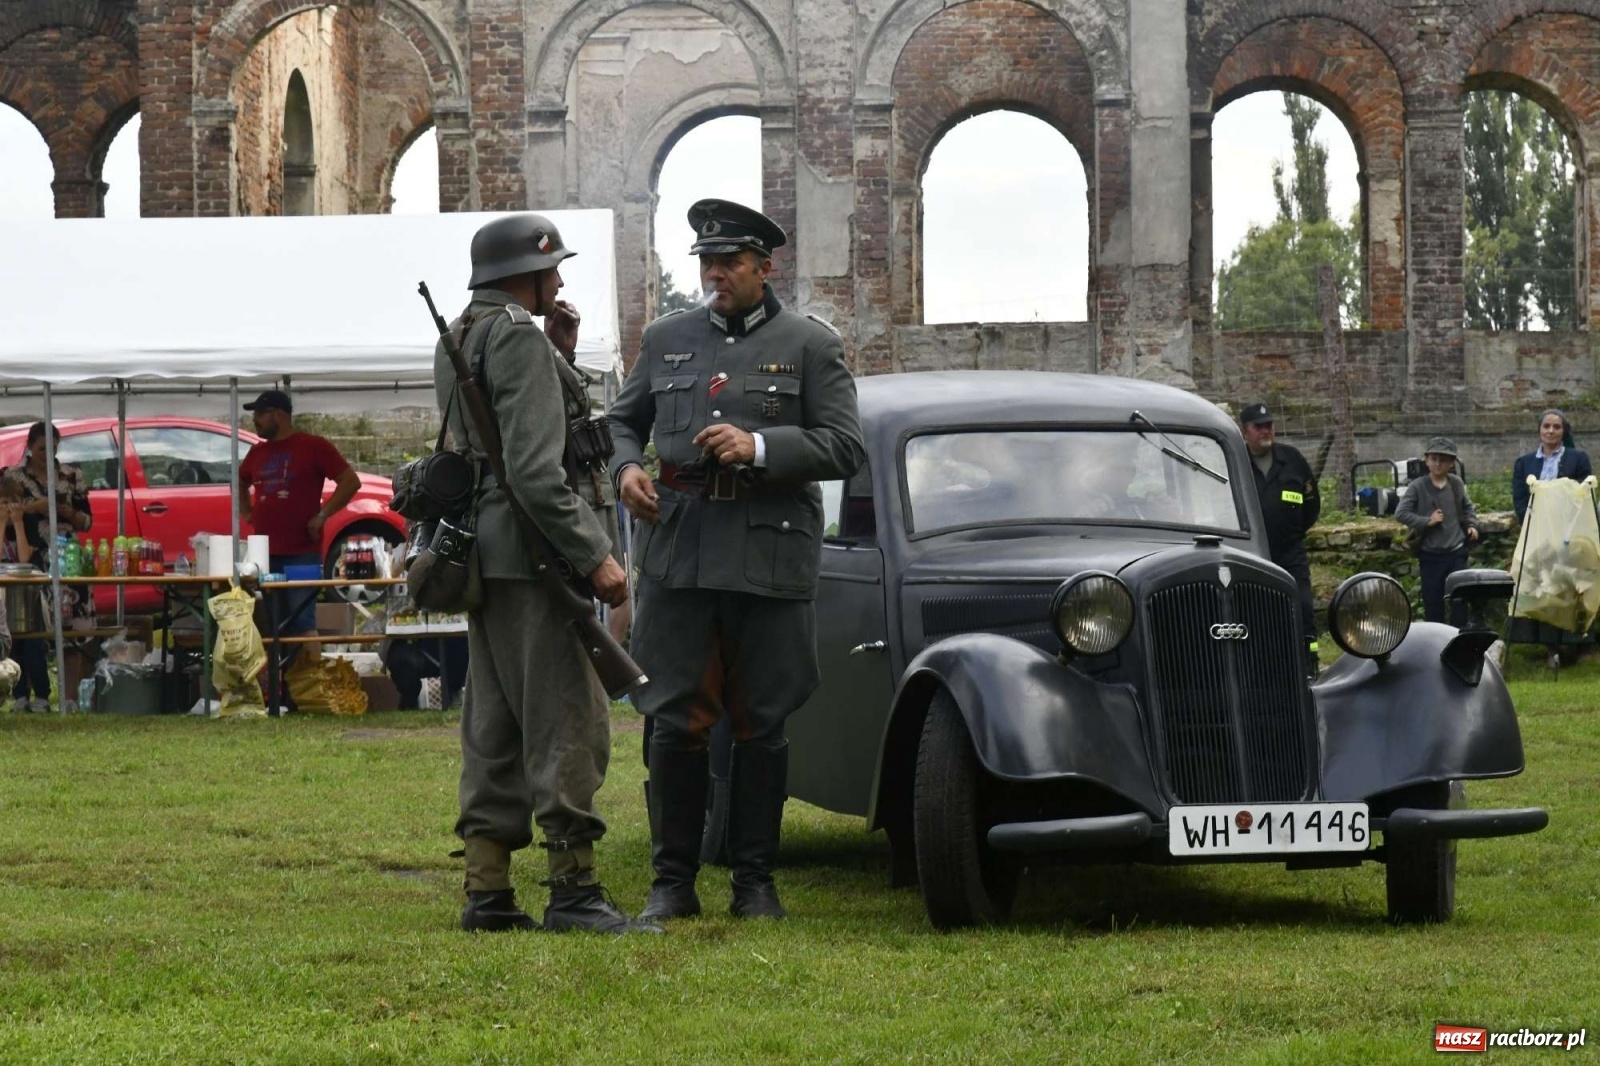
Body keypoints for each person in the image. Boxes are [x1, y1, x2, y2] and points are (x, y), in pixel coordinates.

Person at [610, 198, 866, 921]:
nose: (715, 274)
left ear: (764, 266)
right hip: (680, 554)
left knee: (762, 720)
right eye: (706, 263)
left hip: (767, 556)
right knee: (673, 718)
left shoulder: (810, 345)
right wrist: (626, 469)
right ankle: (673, 885)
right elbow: (623, 424)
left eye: (729, 263)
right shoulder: (665, 339)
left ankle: (754, 883)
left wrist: (759, 448)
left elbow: (847, 447)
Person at [437, 213, 652, 935]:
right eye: (550, 269)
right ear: (520, 276)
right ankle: (574, 892)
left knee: (493, 723)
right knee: (566, 719)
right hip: (538, 557)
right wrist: (595, 555)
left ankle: (488, 889)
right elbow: (533, 471)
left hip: (486, 559)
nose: (558, 280)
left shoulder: (463, 333)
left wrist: (558, 355)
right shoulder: (515, 339)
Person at [238, 390, 361, 642]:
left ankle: (308, 680)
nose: (255, 420)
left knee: (302, 622)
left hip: (301, 553)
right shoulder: (257, 452)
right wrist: (246, 511)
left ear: (279, 415)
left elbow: (350, 481)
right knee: (270, 625)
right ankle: (278, 680)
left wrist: (324, 514)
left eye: (260, 414)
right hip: (264, 554)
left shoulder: (313, 446)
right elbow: (237, 481)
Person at [2, 422, 92, 713]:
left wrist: (70, 513)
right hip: (26, 559)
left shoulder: (71, 474)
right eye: (42, 448)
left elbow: (87, 521)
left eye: (53, 447)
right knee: (27, 630)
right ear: (29, 446)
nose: (47, 453)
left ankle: (70, 697)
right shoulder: (12, 475)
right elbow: (4, 509)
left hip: (66, 557)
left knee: (71, 629)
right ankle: (25, 694)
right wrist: (34, 508)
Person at [1239, 403, 1321, 675]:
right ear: (1245, 431)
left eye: (1269, 425)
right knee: (1255, 611)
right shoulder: (1237, 461)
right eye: (1258, 426)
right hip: (1251, 553)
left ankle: (1308, 662)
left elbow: (1311, 505)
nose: (1266, 431)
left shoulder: (1292, 459)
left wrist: (1292, 533)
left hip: (1289, 552)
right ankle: (1258, 668)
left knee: (1302, 607)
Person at [1394, 436, 1479, 626]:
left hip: (1456, 553)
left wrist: (1472, 525)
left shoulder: (1456, 483)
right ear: (1426, 460)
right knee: (1433, 604)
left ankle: (1459, 641)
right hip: (1431, 556)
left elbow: (1467, 508)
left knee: (1460, 601)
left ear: (1451, 463)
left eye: (1443, 459)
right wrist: (1427, 521)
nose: (1438, 463)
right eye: (1434, 459)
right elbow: (1400, 513)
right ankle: (1436, 644)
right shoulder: (1417, 486)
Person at [1512, 408, 1593, 522]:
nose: (1551, 431)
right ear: (1539, 429)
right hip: (1535, 525)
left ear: (1563, 430)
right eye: (1546, 426)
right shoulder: (1524, 463)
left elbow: (1583, 494)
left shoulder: (1578, 459)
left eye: (1557, 427)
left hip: (1568, 524)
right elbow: (1520, 500)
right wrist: (1531, 522)